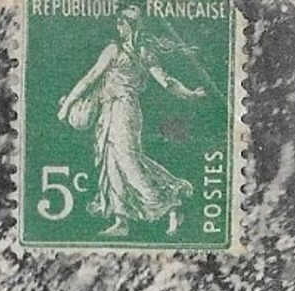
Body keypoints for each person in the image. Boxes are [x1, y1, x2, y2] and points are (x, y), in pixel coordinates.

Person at [56, 3, 206, 237]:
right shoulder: (138, 51)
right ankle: (121, 220)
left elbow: (92, 78)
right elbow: (92, 79)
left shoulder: (120, 51)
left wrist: (66, 106)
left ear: (131, 25)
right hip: (111, 110)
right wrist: (191, 94)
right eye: (117, 22)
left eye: (121, 22)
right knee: (112, 161)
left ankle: (170, 206)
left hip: (124, 110)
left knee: (128, 161)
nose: (118, 26)